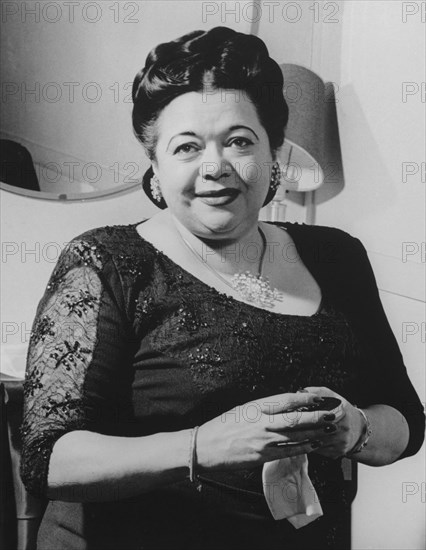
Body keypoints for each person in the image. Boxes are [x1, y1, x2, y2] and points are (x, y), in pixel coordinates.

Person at [20, 26, 424, 550]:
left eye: (238, 141)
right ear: (157, 168)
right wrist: (203, 446)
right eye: (187, 147)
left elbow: (406, 420)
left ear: (274, 153)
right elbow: (46, 457)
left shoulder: (337, 256)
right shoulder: (108, 262)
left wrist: (355, 430)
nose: (215, 167)